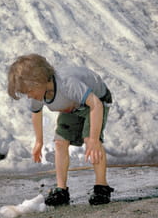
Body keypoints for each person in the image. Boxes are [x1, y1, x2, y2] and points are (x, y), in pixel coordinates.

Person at [7, 54, 114, 206]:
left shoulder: (67, 84)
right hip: (71, 106)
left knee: (90, 141)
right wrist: (39, 141)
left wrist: (94, 139)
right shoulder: (38, 95)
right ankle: (61, 190)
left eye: (29, 91)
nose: (29, 96)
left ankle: (101, 187)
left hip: (96, 101)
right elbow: (36, 113)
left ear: (40, 80)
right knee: (60, 142)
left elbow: (95, 104)